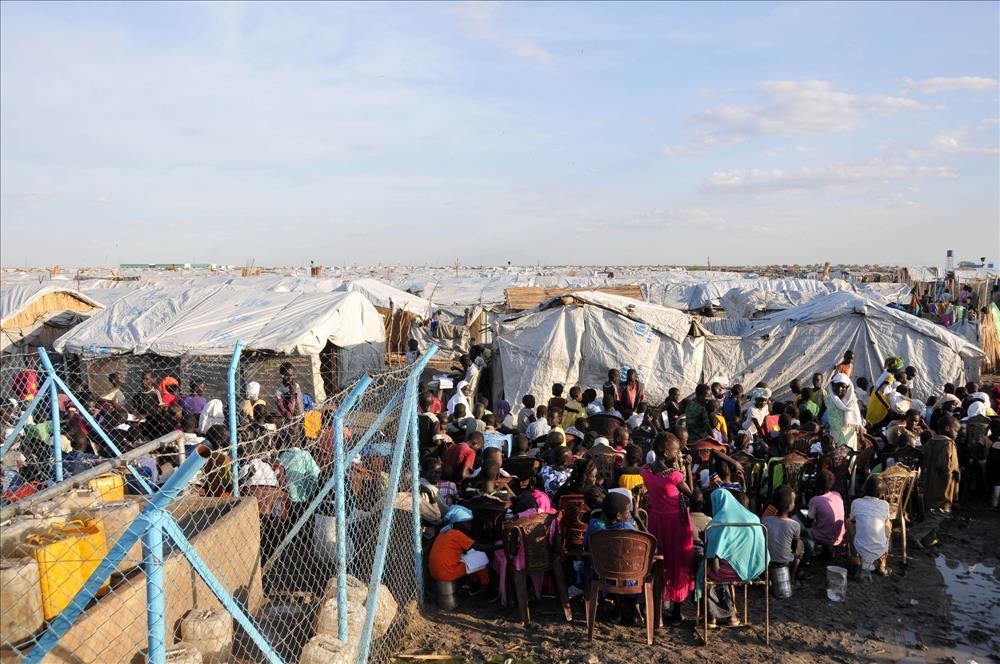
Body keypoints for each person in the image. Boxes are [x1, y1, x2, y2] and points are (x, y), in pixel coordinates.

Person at [640, 434, 694, 624]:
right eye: (675, 450)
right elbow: (690, 492)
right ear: (665, 453)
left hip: (655, 521)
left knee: (659, 565)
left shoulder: (645, 471)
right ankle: (676, 611)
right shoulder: (674, 475)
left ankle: (658, 614)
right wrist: (688, 467)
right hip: (676, 524)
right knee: (678, 563)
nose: (678, 453)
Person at [695, 490, 767, 628]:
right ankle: (732, 616)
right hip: (754, 570)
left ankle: (711, 617)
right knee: (724, 566)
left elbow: (714, 566)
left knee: (703, 570)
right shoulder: (754, 518)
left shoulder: (717, 523)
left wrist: (706, 542)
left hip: (727, 573)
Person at [428, 506, 491, 591]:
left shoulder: (444, 532)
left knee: (471, 557)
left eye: (469, 523)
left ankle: (474, 583)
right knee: (481, 557)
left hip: (434, 572)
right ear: (456, 523)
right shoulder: (456, 534)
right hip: (446, 573)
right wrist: (500, 546)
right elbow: (479, 547)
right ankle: (487, 587)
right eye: (466, 523)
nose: (469, 526)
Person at [848, 476, 891, 580]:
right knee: (888, 524)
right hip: (881, 548)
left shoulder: (856, 502)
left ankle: (855, 559)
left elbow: (852, 520)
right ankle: (882, 564)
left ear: (865, 489)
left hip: (860, 546)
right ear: (881, 493)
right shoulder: (885, 504)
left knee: (849, 523)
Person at [762, 485, 804, 585]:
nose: (794, 503)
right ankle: (792, 576)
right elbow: (794, 546)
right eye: (793, 502)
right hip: (785, 562)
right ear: (790, 507)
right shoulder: (795, 525)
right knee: (801, 545)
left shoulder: (766, 520)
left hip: (766, 560)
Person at [923, 415, 961, 513]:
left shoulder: (931, 441)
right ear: (947, 428)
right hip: (944, 479)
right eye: (956, 431)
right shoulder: (948, 443)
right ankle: (944, 509)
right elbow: (944, 463)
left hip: (931, 477)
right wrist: (950, 473)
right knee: (943, 497)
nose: (957, 434)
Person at [807, 470, 845, 559]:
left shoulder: (814, 500)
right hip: (839, 536)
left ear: (816, 484)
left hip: (822, 537)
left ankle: (812, 547)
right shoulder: (837, 495)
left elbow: (809, 520)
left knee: (799, 521)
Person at [825, 373, 863, 450]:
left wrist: (861, 437)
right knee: (834, 455)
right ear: (833, 385)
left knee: (848, 455)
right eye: (837, 386)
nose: (840, 389)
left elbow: (858, 422)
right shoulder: (828, 400)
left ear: (847, 388)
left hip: (849, 437)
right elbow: (819, 416)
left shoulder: (852, 402)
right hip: (833, 436)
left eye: (843, 387)